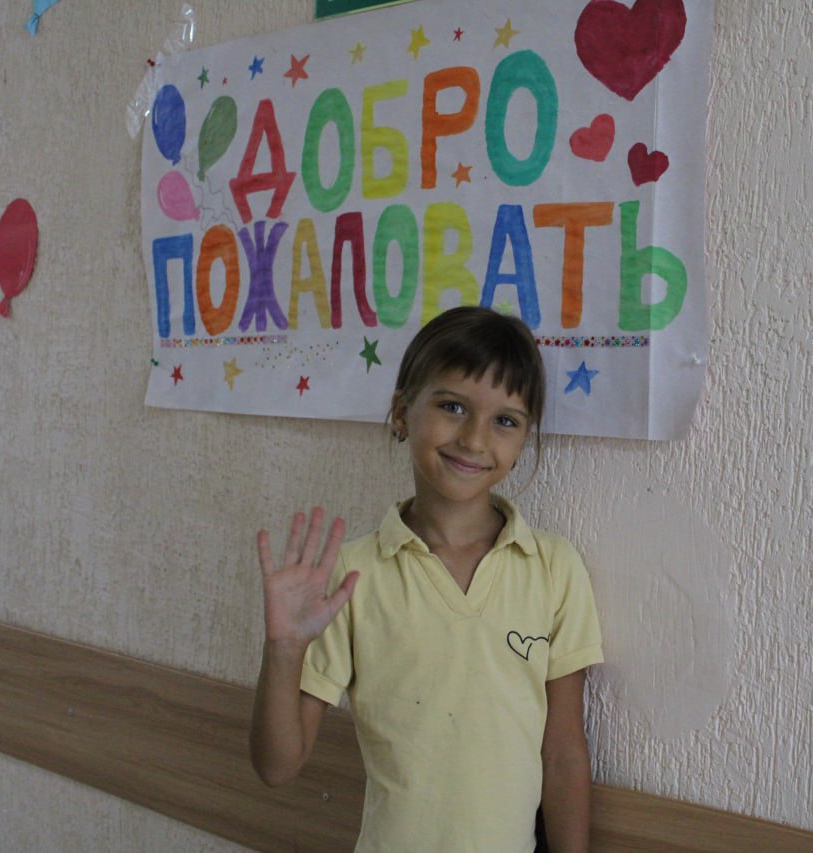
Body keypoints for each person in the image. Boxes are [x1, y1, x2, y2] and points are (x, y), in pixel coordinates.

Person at [249, 306, 604, 852]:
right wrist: (283, 649)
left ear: (524, 439)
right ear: (401, 414)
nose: (475, 439)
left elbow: (563, 756)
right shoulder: (352, 575)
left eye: (505, 420)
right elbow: (277, 766)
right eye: (452, 406)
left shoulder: (553, 567)